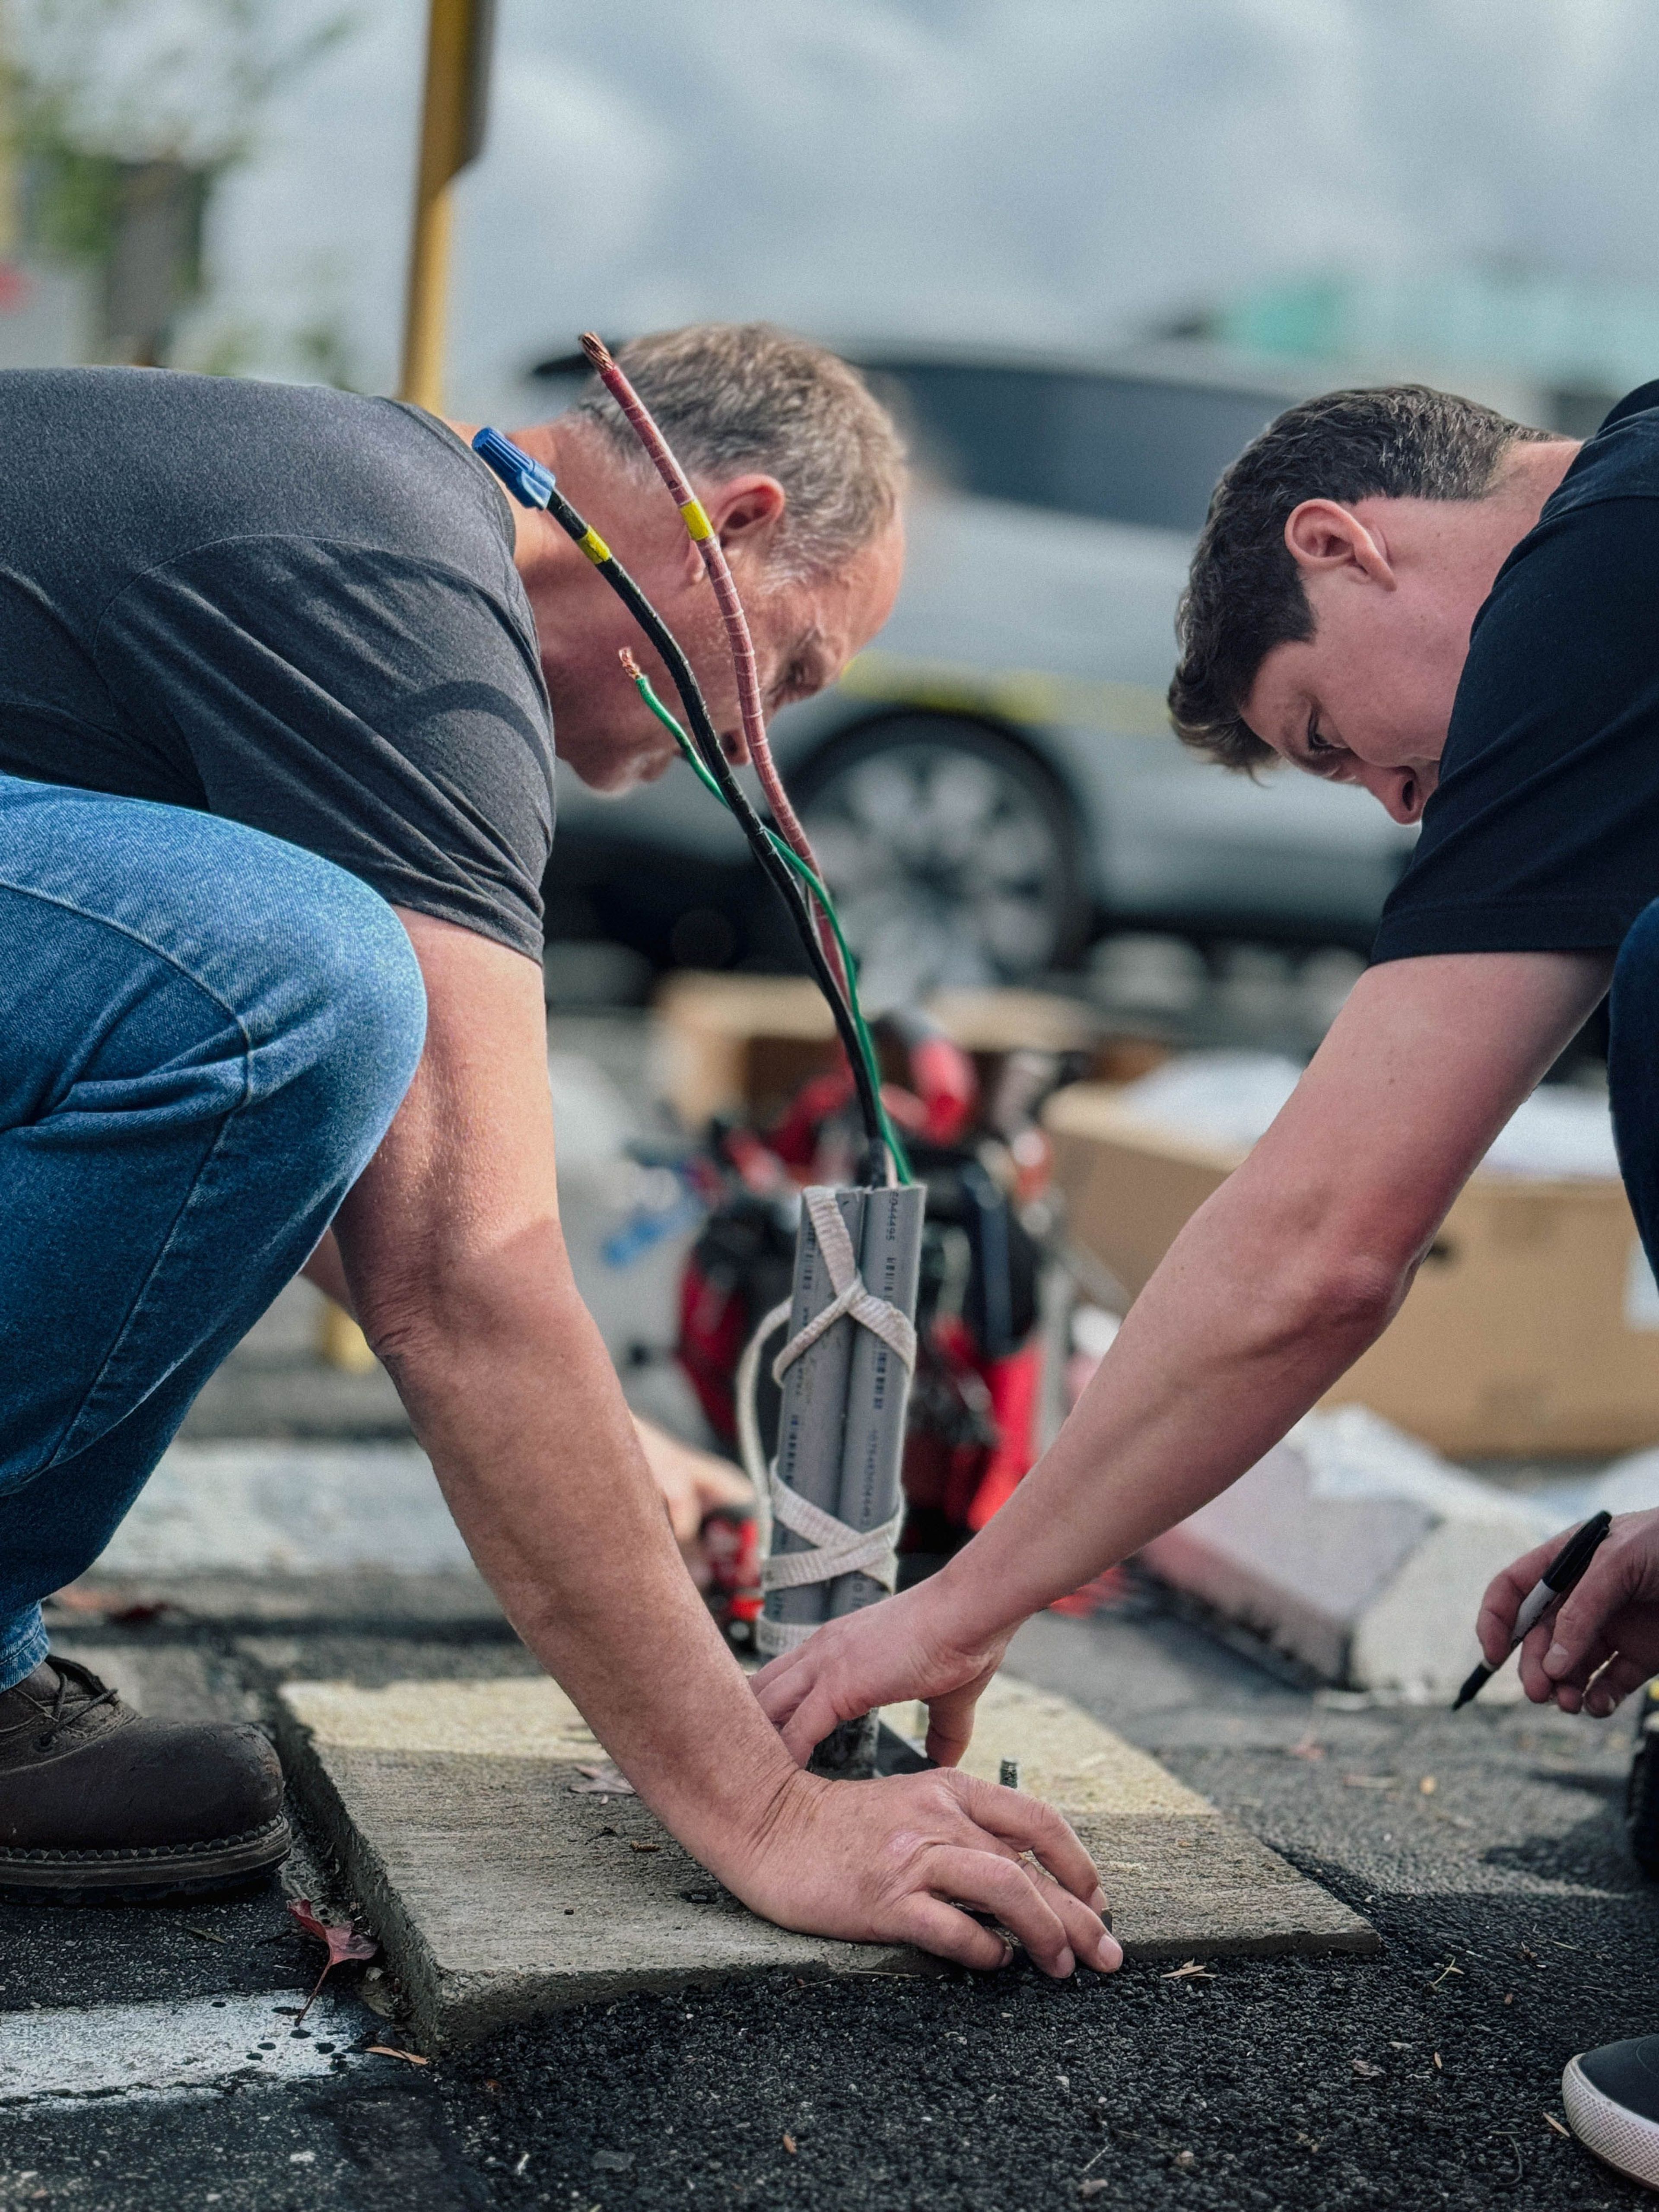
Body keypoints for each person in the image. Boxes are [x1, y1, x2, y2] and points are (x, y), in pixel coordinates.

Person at [0, 322, 1119, 1982]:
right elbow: (467, 1271)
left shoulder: (359, 508)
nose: (758, 750)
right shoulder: (415, 606)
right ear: (731, 529)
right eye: (792, 672)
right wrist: (763, 1807)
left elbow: (327, 1160)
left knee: (269, 999)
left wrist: (596, 1449)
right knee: (297, 974)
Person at [754, 378, 1659, 2087]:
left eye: (1326, 731)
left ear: (1344, 545)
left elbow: (1325, 1239)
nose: (1393, 803)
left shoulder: (1603, 556)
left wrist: (963, 1599)